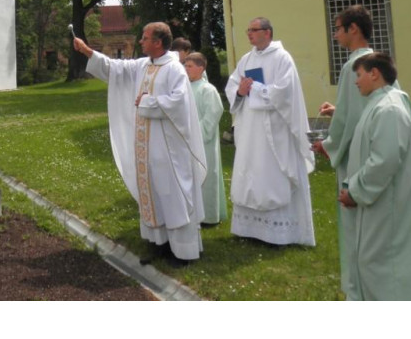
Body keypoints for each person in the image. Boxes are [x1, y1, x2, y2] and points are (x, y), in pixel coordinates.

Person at [73, 22, 207, 263]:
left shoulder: (174, 70)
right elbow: (115, 68)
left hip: (168, 147)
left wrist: (146, 102)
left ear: (158, 42)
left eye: (145, 38)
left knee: (171, 194)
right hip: (146, 146)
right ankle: (160, 244)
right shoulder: (143, 65)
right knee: (153, 192)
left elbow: (179, 103)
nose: (140, 42)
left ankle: (182, 252)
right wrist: (87, 51)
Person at [339, 53, 411, 300]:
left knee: (386, 263)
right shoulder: (379, 104)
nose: (356, 82)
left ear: (374, 73)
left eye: (359, 75)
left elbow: (385, 160)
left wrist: (355, 191)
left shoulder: (390, 109)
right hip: (377, 201)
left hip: (388, 204)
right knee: (372, 261)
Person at [225, 17, 315, 246]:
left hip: (275, 128)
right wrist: (240, 91)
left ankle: (280, 233)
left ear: (267, 32)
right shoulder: (246, 59)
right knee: (251, 170)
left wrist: (253, 88)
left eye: (253, 30)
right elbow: (232, 85)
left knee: (271, 172)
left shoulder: (282, 58)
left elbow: (284, 92)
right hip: (250, 128)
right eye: (248, 30)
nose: (249, 34)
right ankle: (250, 229)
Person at [314, 4, 373, 298]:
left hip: (356, 155)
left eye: (338, 28)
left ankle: (357, 289)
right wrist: (338, 110)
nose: (335, 34)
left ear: (353, 29)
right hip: (369, 147)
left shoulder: (354, 65)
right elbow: (364, 109)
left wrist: (327, 145)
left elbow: (351, 121)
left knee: (356, 225)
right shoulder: (374, 60)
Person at [185, 52, 227, 225]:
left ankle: (209, 216)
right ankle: (192, 213)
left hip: (204, 142)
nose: (186, 69)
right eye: (185, 65)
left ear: (201, 68)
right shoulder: (185, 87)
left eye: (190, 66)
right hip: (187, 140)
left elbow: (214, 113)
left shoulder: (207, 90)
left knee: (207, 176)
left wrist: (197, 133)